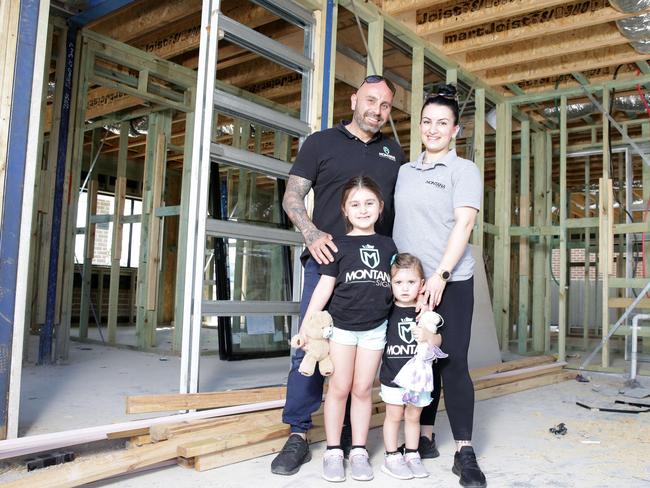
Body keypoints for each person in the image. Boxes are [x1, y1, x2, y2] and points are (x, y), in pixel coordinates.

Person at [271, 75, 405, 476]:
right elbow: (292, 195)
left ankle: (348, 434)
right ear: (353, 100)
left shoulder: (394, 154)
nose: (376, 110)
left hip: (373, 273)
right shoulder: (321, 142)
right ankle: (297, 433)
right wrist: (311, 234)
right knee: (310, 347)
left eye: (384, 106)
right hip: (326, 263)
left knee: (363, 356)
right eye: (370, 100)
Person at [392, 84, 487, 488]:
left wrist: (441, 276)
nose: (433, 129)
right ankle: (424, 436)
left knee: (452, 363)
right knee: (414, 359)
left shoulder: (463, 170)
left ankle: (464, 451)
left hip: (451, 281)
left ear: (455, 131)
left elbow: (463, 224)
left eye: (442, 123)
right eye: (427, 121)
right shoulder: (404, 171)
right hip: (409, 286)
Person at [302, 176, 396, 482]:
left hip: (375, 330)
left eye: (369, 203)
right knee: (339, 388)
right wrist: (306, 325)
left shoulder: (388, 245)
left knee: (362, 390)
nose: (363, 209)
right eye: (355, 204)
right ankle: (333, 451)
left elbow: (396, 286)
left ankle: (358, 450)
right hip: (341, 329)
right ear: (344, 209)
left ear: (380, 208)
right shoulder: (336, 245)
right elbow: (324, 287)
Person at [379, 253, 443, 480]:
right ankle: (391, 456)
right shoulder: (386, 311)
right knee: (394, 416)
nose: (405, 288)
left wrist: (427, 335)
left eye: (411, 282)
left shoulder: (426, 314)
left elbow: (438, 342)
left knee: (414, 417)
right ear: (390, 284)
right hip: (393, 377)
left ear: (422, 284)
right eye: (398, 282)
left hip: (419, 380)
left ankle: (412, 454)